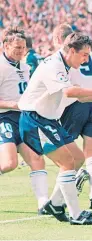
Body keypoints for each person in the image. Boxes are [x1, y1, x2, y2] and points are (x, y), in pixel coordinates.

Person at [18, 32, 92, 225]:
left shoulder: (64, 66)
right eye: (84, 54)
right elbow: (69, 91)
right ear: (71, 51)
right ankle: (76, 215)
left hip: (46, 120)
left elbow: (80, 97)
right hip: (35, 119)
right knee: (68, 162)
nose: (86, 59)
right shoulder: (54, 65)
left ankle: (55, 204)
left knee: (77, 158)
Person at [53, 23, 92, 210]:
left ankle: (58, 199)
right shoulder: (91, 55)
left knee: (64, 153)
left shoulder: (66, 58)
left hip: (76, 104)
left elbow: (68, 88)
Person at [0, 26, 48, 214]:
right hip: (4, 117)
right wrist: (13, 104)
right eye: (17, 47)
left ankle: (43, 204)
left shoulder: (25, 66)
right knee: (9, 164)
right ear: (5, 45)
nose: (21, 51)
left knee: (37, 159)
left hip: (24, 118)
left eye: (23, 48)